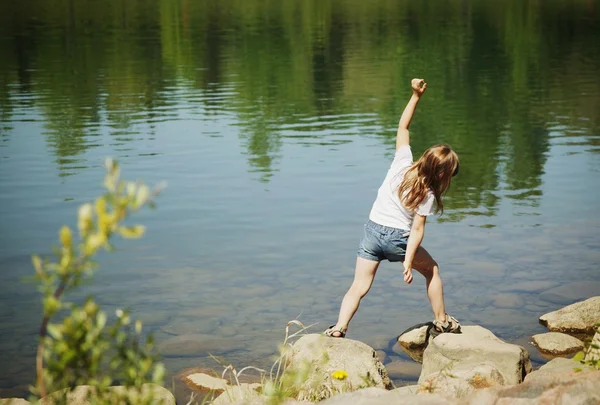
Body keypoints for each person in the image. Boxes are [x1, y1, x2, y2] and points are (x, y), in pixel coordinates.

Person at [324, 78, 461, 339]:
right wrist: (408, 261)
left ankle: (339, 327)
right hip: (399, 238)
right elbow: (417, 230)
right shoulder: (428, 193)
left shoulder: (401, 163)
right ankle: (442, 321)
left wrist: (415, 96)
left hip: (372, 232)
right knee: (431, 269)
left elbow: (403, 125)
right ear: (441, 175)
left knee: (359, 286)